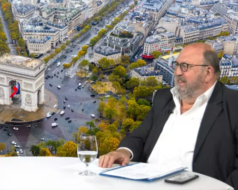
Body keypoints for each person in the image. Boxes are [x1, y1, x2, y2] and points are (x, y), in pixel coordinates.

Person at [98, 43, 237, 188]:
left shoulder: (233, 105)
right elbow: (140, 137)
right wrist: (123, 152)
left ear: (208, 72)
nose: (177, 72)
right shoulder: (163, 98)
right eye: (176, 65)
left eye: (185, 66)